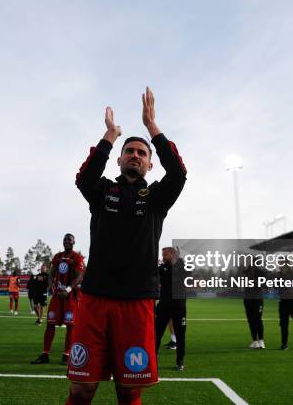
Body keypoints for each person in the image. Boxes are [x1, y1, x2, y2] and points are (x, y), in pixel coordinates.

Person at [66, 87, 187, 404]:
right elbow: (83, 178)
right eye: (129, 151)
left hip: (137, 302)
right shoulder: (102, 191)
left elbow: (178, 173)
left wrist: (152, 127)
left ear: (150, 165)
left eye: (142, 153)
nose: (135, 154)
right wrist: (109, 136)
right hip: (94, 300)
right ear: (118, 159)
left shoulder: (157, 199)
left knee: (129, 390)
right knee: (81, 390)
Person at [31, 234, 84, 366]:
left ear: (74, 242)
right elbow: (51, 274)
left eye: (69, 240)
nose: (66, 241)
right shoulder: (57, 257)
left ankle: (66, 355)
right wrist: (53, 289)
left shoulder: (77, 257)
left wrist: (68, 290)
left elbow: (79, 276)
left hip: (70, 296)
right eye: (65, 239)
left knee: (70, 326)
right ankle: (45, 354)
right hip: (57, 296)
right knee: (50, 323)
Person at [154, 247, 187, 371]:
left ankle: (180, 361)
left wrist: (174, 261)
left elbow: (181, 275)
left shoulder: (182, 264)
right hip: (163, 306)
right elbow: (154, 275)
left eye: (165, 254)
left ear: (173, 254)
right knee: (156, 333)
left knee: (180, 335)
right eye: (162, 254)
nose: (163, 256)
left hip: (179, 306)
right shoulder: (162, 267)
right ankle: (153, 360)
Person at [243, 265, 266, 349]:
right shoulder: (248, 272)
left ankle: (259, 341)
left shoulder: (259, 272)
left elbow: (264, 284)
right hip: (250, 298)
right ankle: (257, 341)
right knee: (253, 320)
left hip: (255, 298)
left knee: (256, 319)